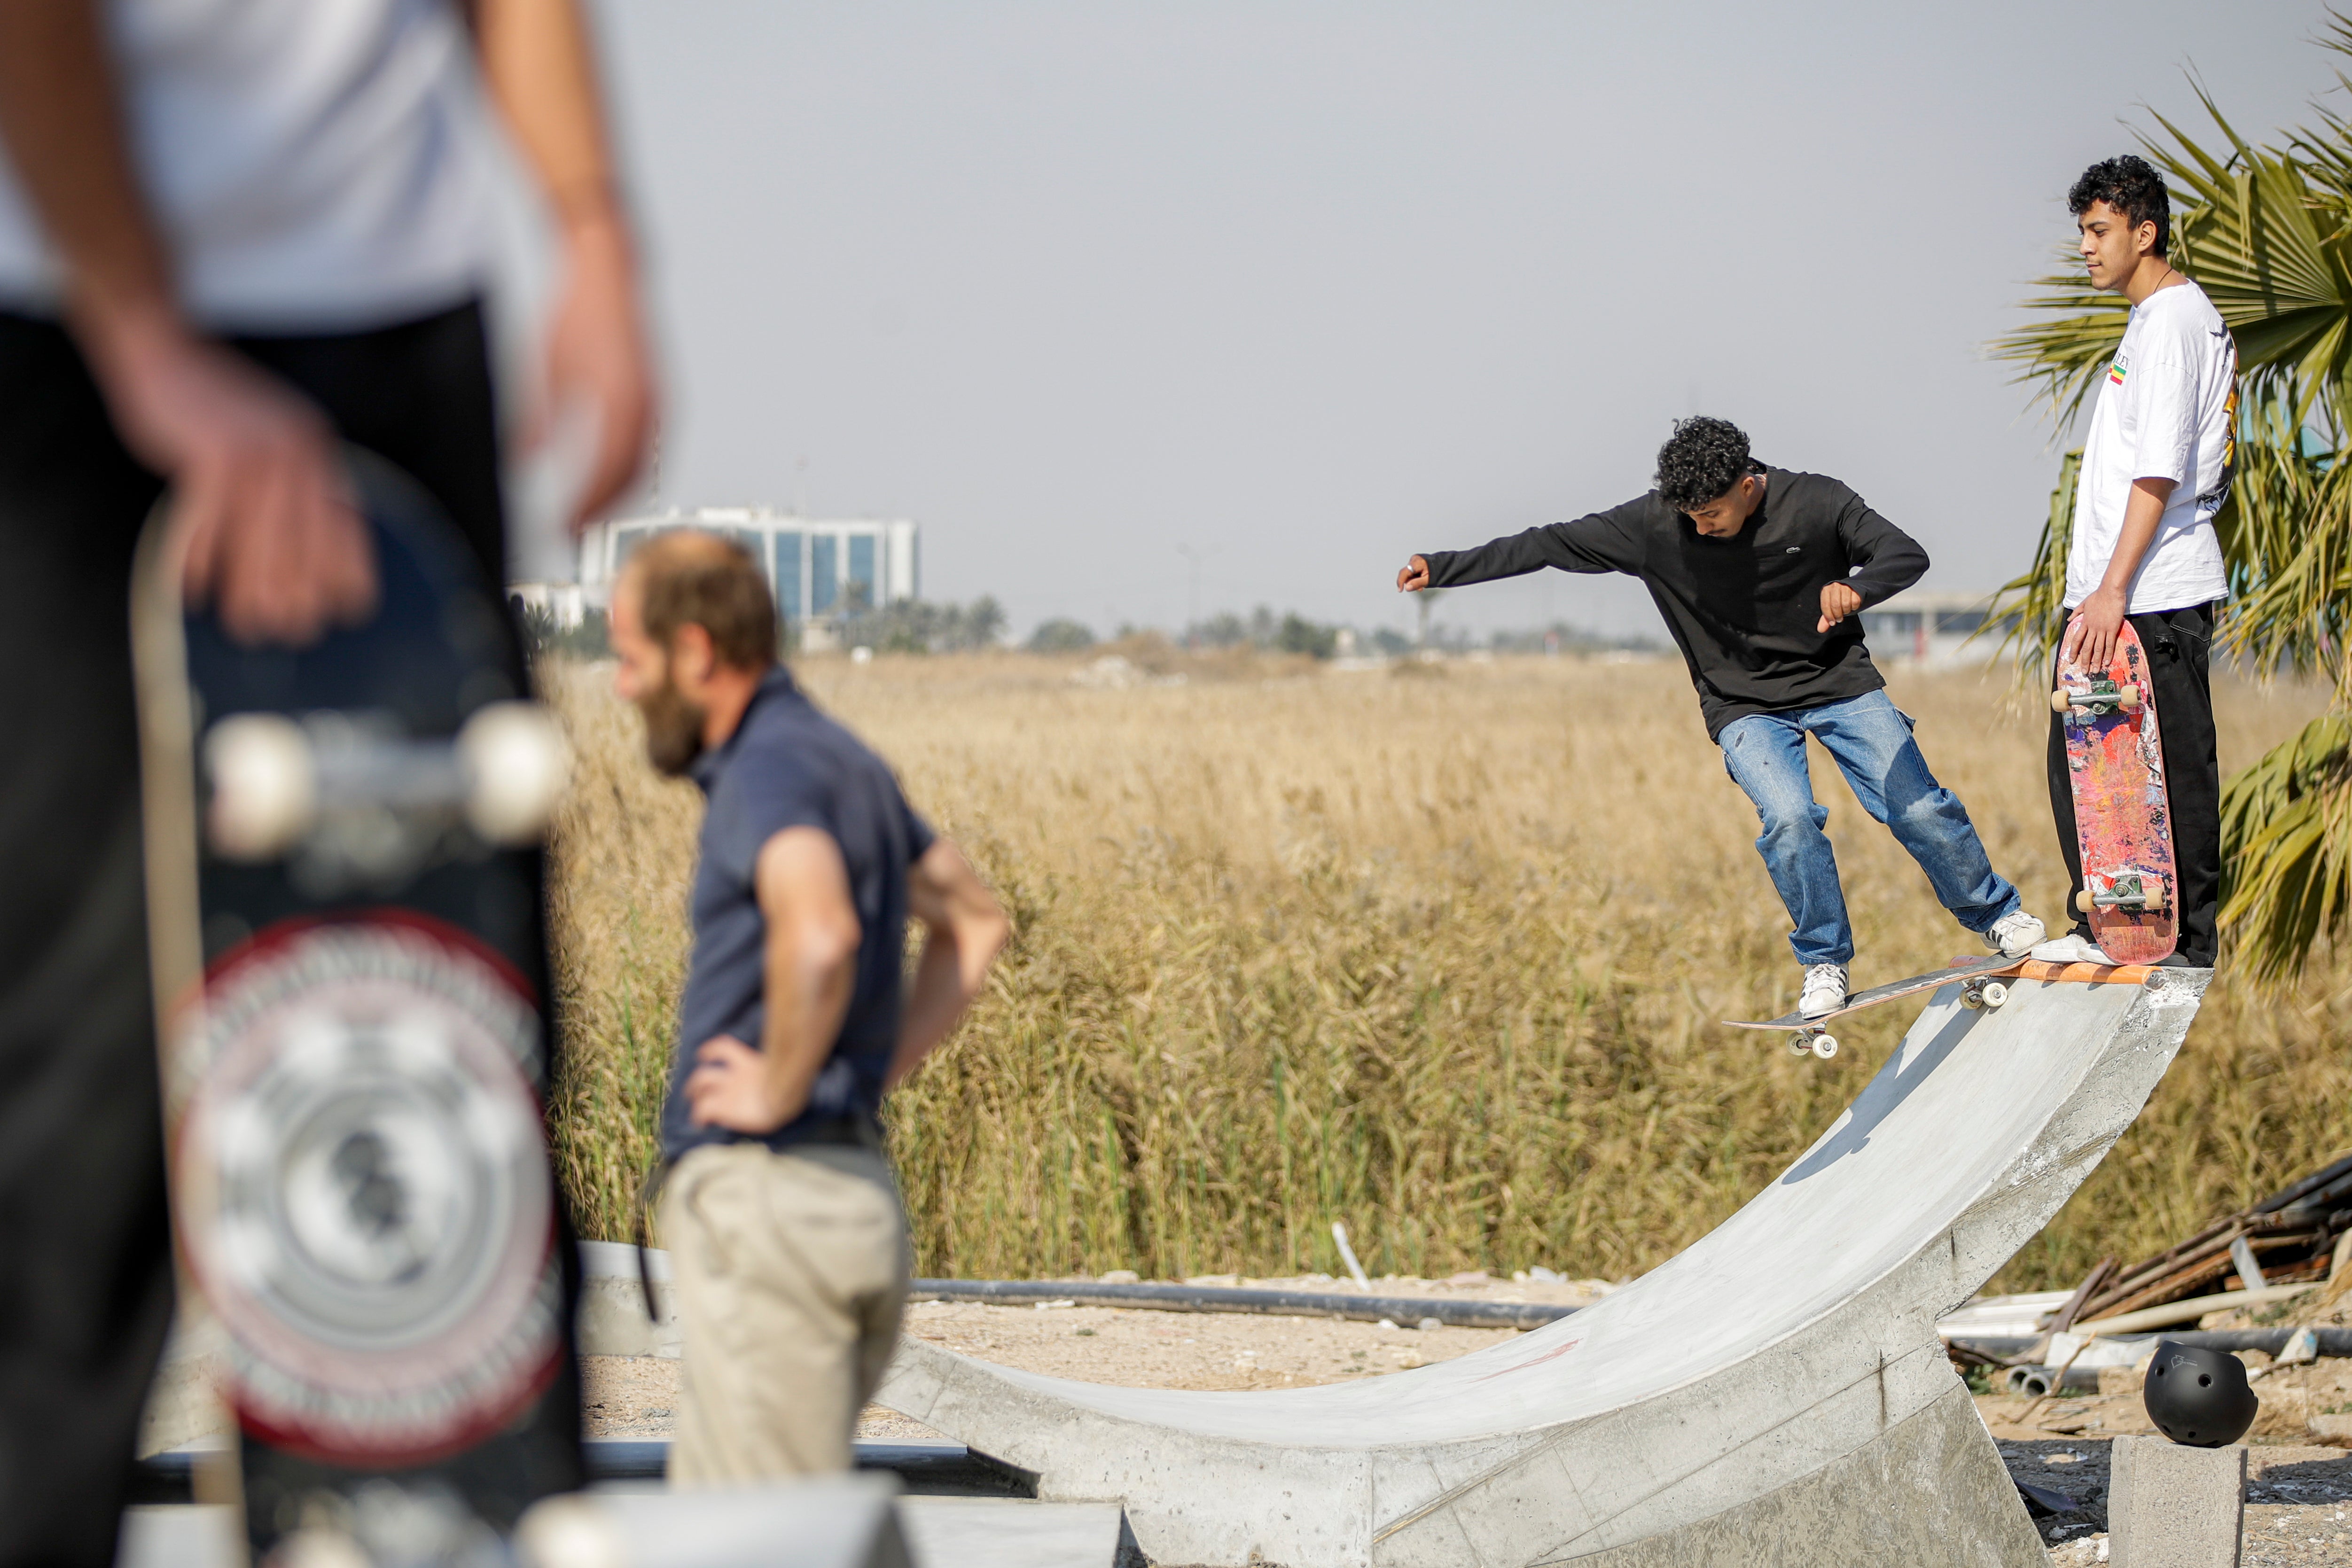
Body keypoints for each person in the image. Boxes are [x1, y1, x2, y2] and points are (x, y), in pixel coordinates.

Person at [0, 4, 653, 1562]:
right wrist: (145, 338)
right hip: (68, 313)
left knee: (448, 1010)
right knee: (83, 1068)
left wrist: (594, 232)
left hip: (398, 314)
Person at [1397, 416, 2047, 1017]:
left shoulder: (1818, 502)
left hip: (1839, 685)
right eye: (1688, 516)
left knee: (1916, 807)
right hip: (1742, 707)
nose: (1699, 528)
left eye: (1710, 514)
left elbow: (1904, 553)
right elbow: (1547, 543)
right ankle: (1823, 961)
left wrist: (1859, 588)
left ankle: (1993, 913)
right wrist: (1445, 568)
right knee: (1789, 819)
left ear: (1747, 485)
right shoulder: (1654, 525)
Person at [608, 531, 1009, 1485]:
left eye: (630, 657)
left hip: (773, 1205)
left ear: (696, 651)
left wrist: (783, 1083)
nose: (621, 686)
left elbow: (820, 926)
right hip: (849, 1202)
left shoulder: (766, 769)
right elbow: (976, 920)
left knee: (752, 1542)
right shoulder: (844, 761)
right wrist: (864, 1074)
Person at [2031, 155, 2232, 969]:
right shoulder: (2148, 322)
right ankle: (2107, 925)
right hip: (2114, 594)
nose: (2084, 246)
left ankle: (2185, 939)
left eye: (2098, 230)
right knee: (2080, 766)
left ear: (2144, 232)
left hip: (2150, 590)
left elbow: (2161, 468)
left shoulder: (2176, 321)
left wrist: (2112, 589)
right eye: (2081, 229)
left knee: (2173, 766)